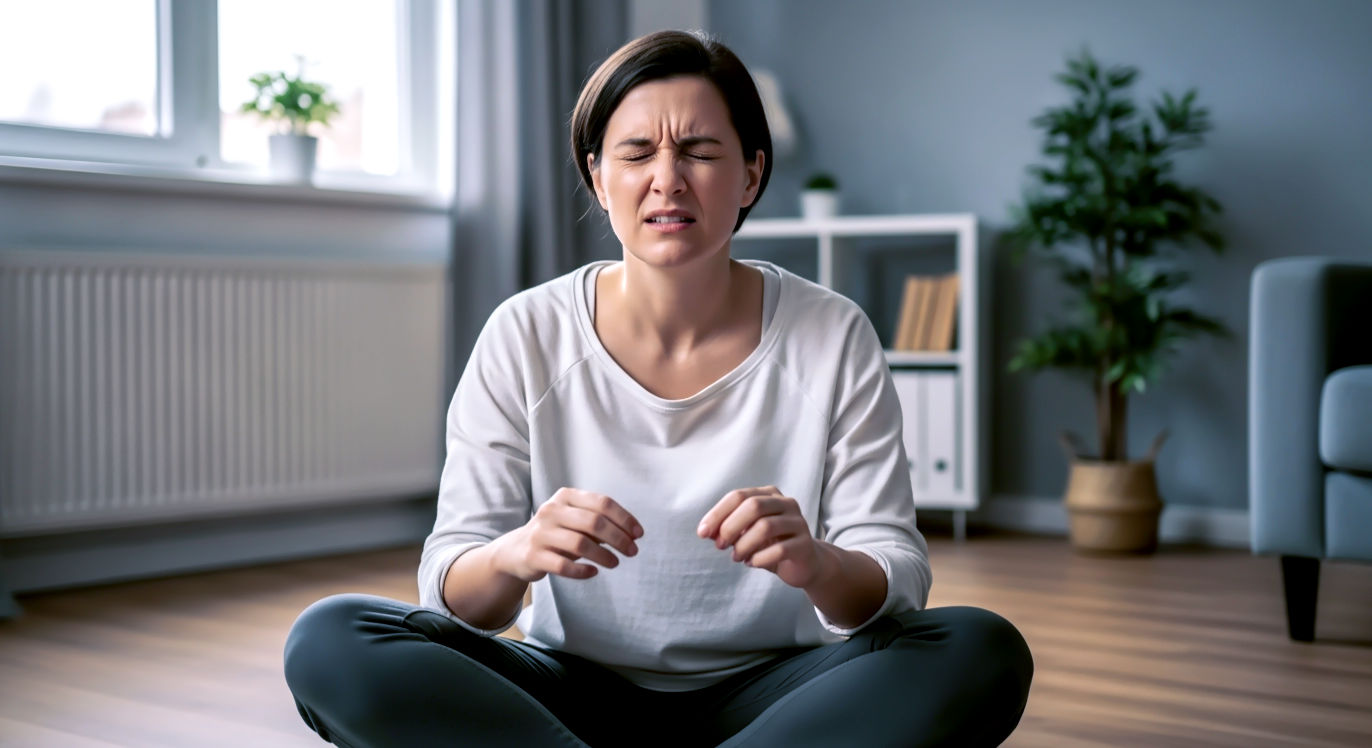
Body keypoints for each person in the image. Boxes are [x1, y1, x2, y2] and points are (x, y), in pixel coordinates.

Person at [284, 30, 1033, 748]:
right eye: (636, 152)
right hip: (568, 691)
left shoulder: (831, 334)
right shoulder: (526, 333)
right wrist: (518, 552)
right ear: (598, 177)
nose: (667, 179)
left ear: (749, 175)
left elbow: (897, 577)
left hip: (780, 691)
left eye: (701, 151)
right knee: (331, 638)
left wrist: (819, 564)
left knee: (980, 649)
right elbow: (451, 593)